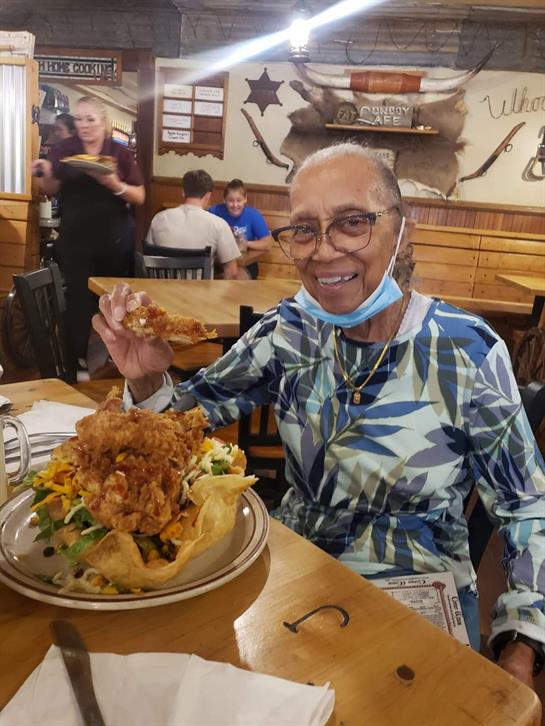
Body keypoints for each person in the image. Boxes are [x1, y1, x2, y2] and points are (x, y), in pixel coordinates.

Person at [92, 143, 545, 689]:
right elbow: (181, 428)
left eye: (352, 222)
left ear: (403, 230)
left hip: (421, 588)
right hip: (293, 568)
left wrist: (521, 644)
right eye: (305, 230)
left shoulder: (466, 350)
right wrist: (145, 378)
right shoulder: (289, 331)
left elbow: (528, 505)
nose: (324, 251)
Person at [32, 95, 145, 368]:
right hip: (75, 241)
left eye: (90, 119)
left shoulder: (118, 153)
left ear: (104, 123)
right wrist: (46, 172)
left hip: (114, 242)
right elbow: (49, 189)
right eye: (79, 119)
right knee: (78, 303)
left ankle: (114, 360)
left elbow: (139, 196)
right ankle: (78, 362)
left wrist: (114, 184)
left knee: (113, 303)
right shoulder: (65, 148)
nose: (84, 125)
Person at [145, 170, 240, 280]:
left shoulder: (159, 219)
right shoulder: (219, 224)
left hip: (162, 289)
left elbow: (147, 258)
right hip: (200, 291)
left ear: (183, 192)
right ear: (208, 196)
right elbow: (232, 272)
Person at [209, 179, 272, 280]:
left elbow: (267, 244)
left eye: (239, 200)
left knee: (233, 279)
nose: (235, 205)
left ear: (245, 199)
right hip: (218, 262)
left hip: (245, 263)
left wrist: (246, 243)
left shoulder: (253, 215)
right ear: (224, 200)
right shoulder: (214, 212)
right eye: (231, 200)